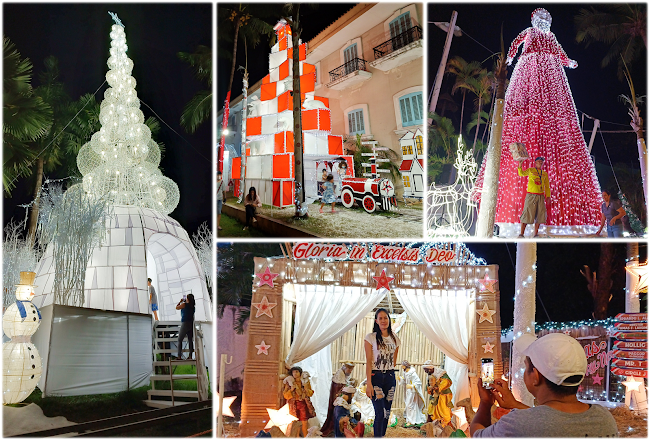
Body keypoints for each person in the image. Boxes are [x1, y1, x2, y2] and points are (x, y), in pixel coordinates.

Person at [474, 8, 602, 233]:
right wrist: (511, 57)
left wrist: (568, 62)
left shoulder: (551, 37)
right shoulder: (529, 33)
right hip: (527, 72)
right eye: (540, 19)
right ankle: (519, 227)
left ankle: (538, 228)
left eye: (546, 20)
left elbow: (560, 52)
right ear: (534, 20)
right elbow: (515, 43)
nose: (543, 22)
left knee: (557, 118)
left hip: (553, 77)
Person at [470, 332, 618, 437]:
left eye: (526, 366)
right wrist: (515, 404)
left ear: (536, 376)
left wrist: (485, 403)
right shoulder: (604, 419)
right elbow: (555, 423)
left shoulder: (517, 424)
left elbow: (477, 433)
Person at [364, 308, 400, 437]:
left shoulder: (395, 338)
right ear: (376, 321)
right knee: (380, 411)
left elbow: (394, 361)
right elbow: (368, 361)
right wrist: (369, 384)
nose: (383, 320)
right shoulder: (370, 338)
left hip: (390, 377)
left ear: (389, 320)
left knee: (387, 412)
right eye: (380, 318)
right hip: (376, 377)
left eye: (385, 318)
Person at [517, 157, 550, 238]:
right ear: (535, 162)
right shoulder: (531, 170)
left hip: (541, 196)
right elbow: (521, 173)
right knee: (527, 213)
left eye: (541, 161)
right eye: (539, 161)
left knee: (540, 214)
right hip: (531, 195)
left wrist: (548, 196)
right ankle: (521, 234)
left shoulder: (544, 173)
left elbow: (547, 186)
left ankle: (536, 234)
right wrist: (520, 165)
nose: (540, 162)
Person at [322, 361, 355, 436]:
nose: (350, 372)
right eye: (349, 370)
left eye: (351, 370)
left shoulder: (344, 375)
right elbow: (339, 389)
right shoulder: (340, 375)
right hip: (338, 400)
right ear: (345, 368)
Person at [283, 366, 316, 437]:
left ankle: (305, 436)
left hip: (303, 404)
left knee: (304, 422)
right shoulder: (290, 383)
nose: (295, 373)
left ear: (300, 373)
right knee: (295, 423)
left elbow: (310, 393)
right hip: (293, 405)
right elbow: (285, 395)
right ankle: (296, 436)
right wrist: (291, 390)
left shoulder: (305, 382)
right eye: (293, 372)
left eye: (296, 372)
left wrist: (306, 390)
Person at [399, 360, 426, 426]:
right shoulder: (405, 372)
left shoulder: (412, 373)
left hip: (412, 392)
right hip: (408, 391)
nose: (401, 366)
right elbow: (404, 380)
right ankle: (409, 419)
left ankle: (411, 421)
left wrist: (412, 386)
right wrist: (400, 379)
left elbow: (418, 382)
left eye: (402, 365)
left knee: (410, 406)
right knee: (408, 405)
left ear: (405, 365)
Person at [174, 293, 195, 360]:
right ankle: (190, 356)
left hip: (185, 323)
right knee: (190, 340)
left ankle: (179, 356)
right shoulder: (193, 307)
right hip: (191, 323)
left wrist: (180, 301)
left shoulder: (184, 305)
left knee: (180, 339)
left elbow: (177, 307)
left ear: (187, 299)